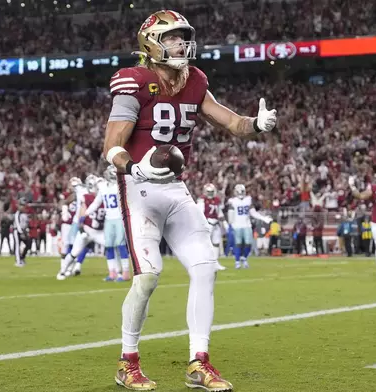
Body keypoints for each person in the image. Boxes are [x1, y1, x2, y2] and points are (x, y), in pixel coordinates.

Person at [103, 9, 277, 391]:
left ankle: (200, 363)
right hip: (140, 189)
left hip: (176, 189)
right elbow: (111, 146)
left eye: (183, 37)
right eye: (172, 38)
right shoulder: (134, 81)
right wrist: (133, 169)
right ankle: (127, 362)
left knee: (206, 267)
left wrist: (257, 124)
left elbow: (231, 122)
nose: (181, 44)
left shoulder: (194, 80)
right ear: (152, 43)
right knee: (148, 277)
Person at [227, 184, 272, 268]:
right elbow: (230, 215)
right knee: (238, 244)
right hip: (237, 225)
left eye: (242, 191)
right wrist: (230, 225)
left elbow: (253, 212)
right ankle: (237, 261)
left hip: (247, 224)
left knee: (248, 243)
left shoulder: (248, 200)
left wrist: (263, 218)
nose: (240, 193)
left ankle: (244, 258)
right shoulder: (233, 201)